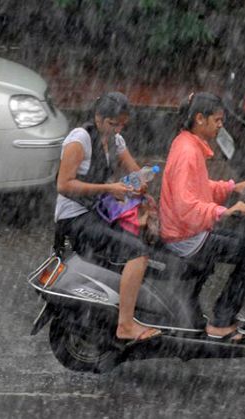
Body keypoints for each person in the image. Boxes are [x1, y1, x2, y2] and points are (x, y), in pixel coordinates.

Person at [54, 92, 160, 344]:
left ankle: (133, 304)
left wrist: (141, 189)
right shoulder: (80, 140)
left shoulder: (116, 141)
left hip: (98, 210)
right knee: (137, 252)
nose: (117, 129)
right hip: (75, 217)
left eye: (122, 124)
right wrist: (109, 188)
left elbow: (136, 173)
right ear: (98, 118)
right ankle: (125, 324)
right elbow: (64, 185)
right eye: (113, 124)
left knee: (149, 238)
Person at [159, 92, 245, 342]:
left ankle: (222, 316)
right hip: (185, 236)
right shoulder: (187, 152)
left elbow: (199, 187)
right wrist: (224, 211)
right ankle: (222, 321)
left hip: (191, 229)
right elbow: (186, 204)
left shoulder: (188, 144)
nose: (220, 125)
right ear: (200, 119)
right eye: (217, 120)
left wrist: (230, 187)